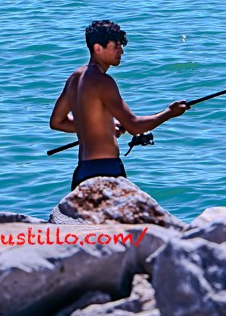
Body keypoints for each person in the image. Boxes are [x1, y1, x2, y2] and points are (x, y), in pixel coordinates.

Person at [50, 19, 189, 190]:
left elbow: (57, 122)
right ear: (98, 48)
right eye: (115, 46)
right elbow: (135, 126)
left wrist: (103, 127)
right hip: (106, 171)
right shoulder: (103, 82)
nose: (121, 51)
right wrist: (169, 112)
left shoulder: (75, 78)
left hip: (82, 171)